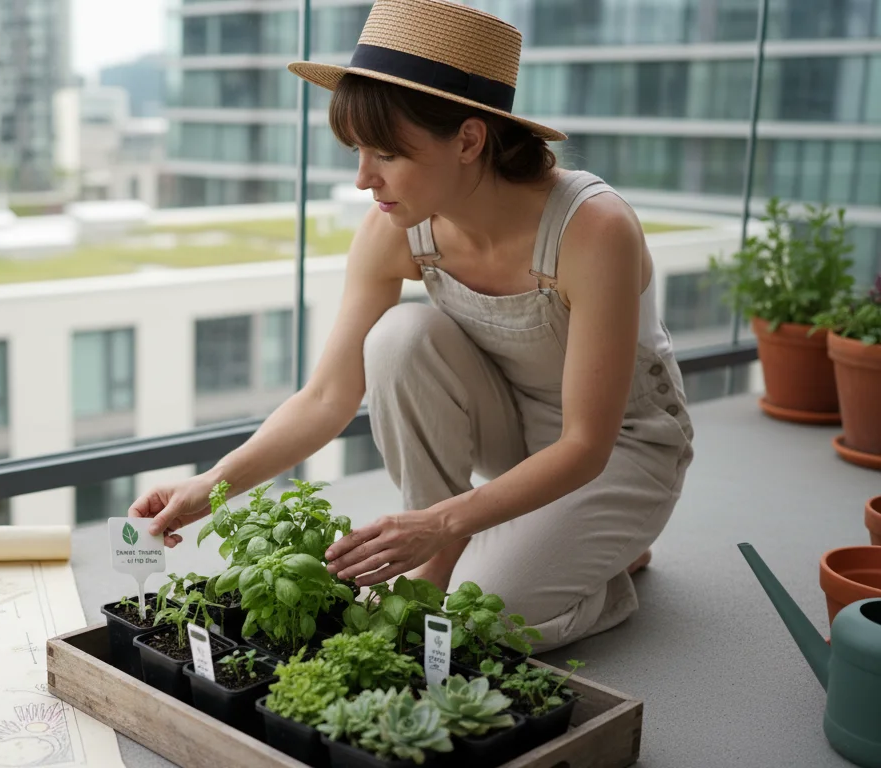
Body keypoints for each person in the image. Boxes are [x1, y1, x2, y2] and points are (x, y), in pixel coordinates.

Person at [128, 0, 694, 651]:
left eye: (386, 153)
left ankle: (609, 557)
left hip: (617, 453)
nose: (364, 178)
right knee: (398, 337)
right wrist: (211, 486)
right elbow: (327, 396)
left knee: (485, 621)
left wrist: (437, 520)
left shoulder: (593, 230)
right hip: (514, 439)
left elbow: (587, 445)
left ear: (469, 139)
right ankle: (448, 556)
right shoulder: (397, 226)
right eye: (357, 151)